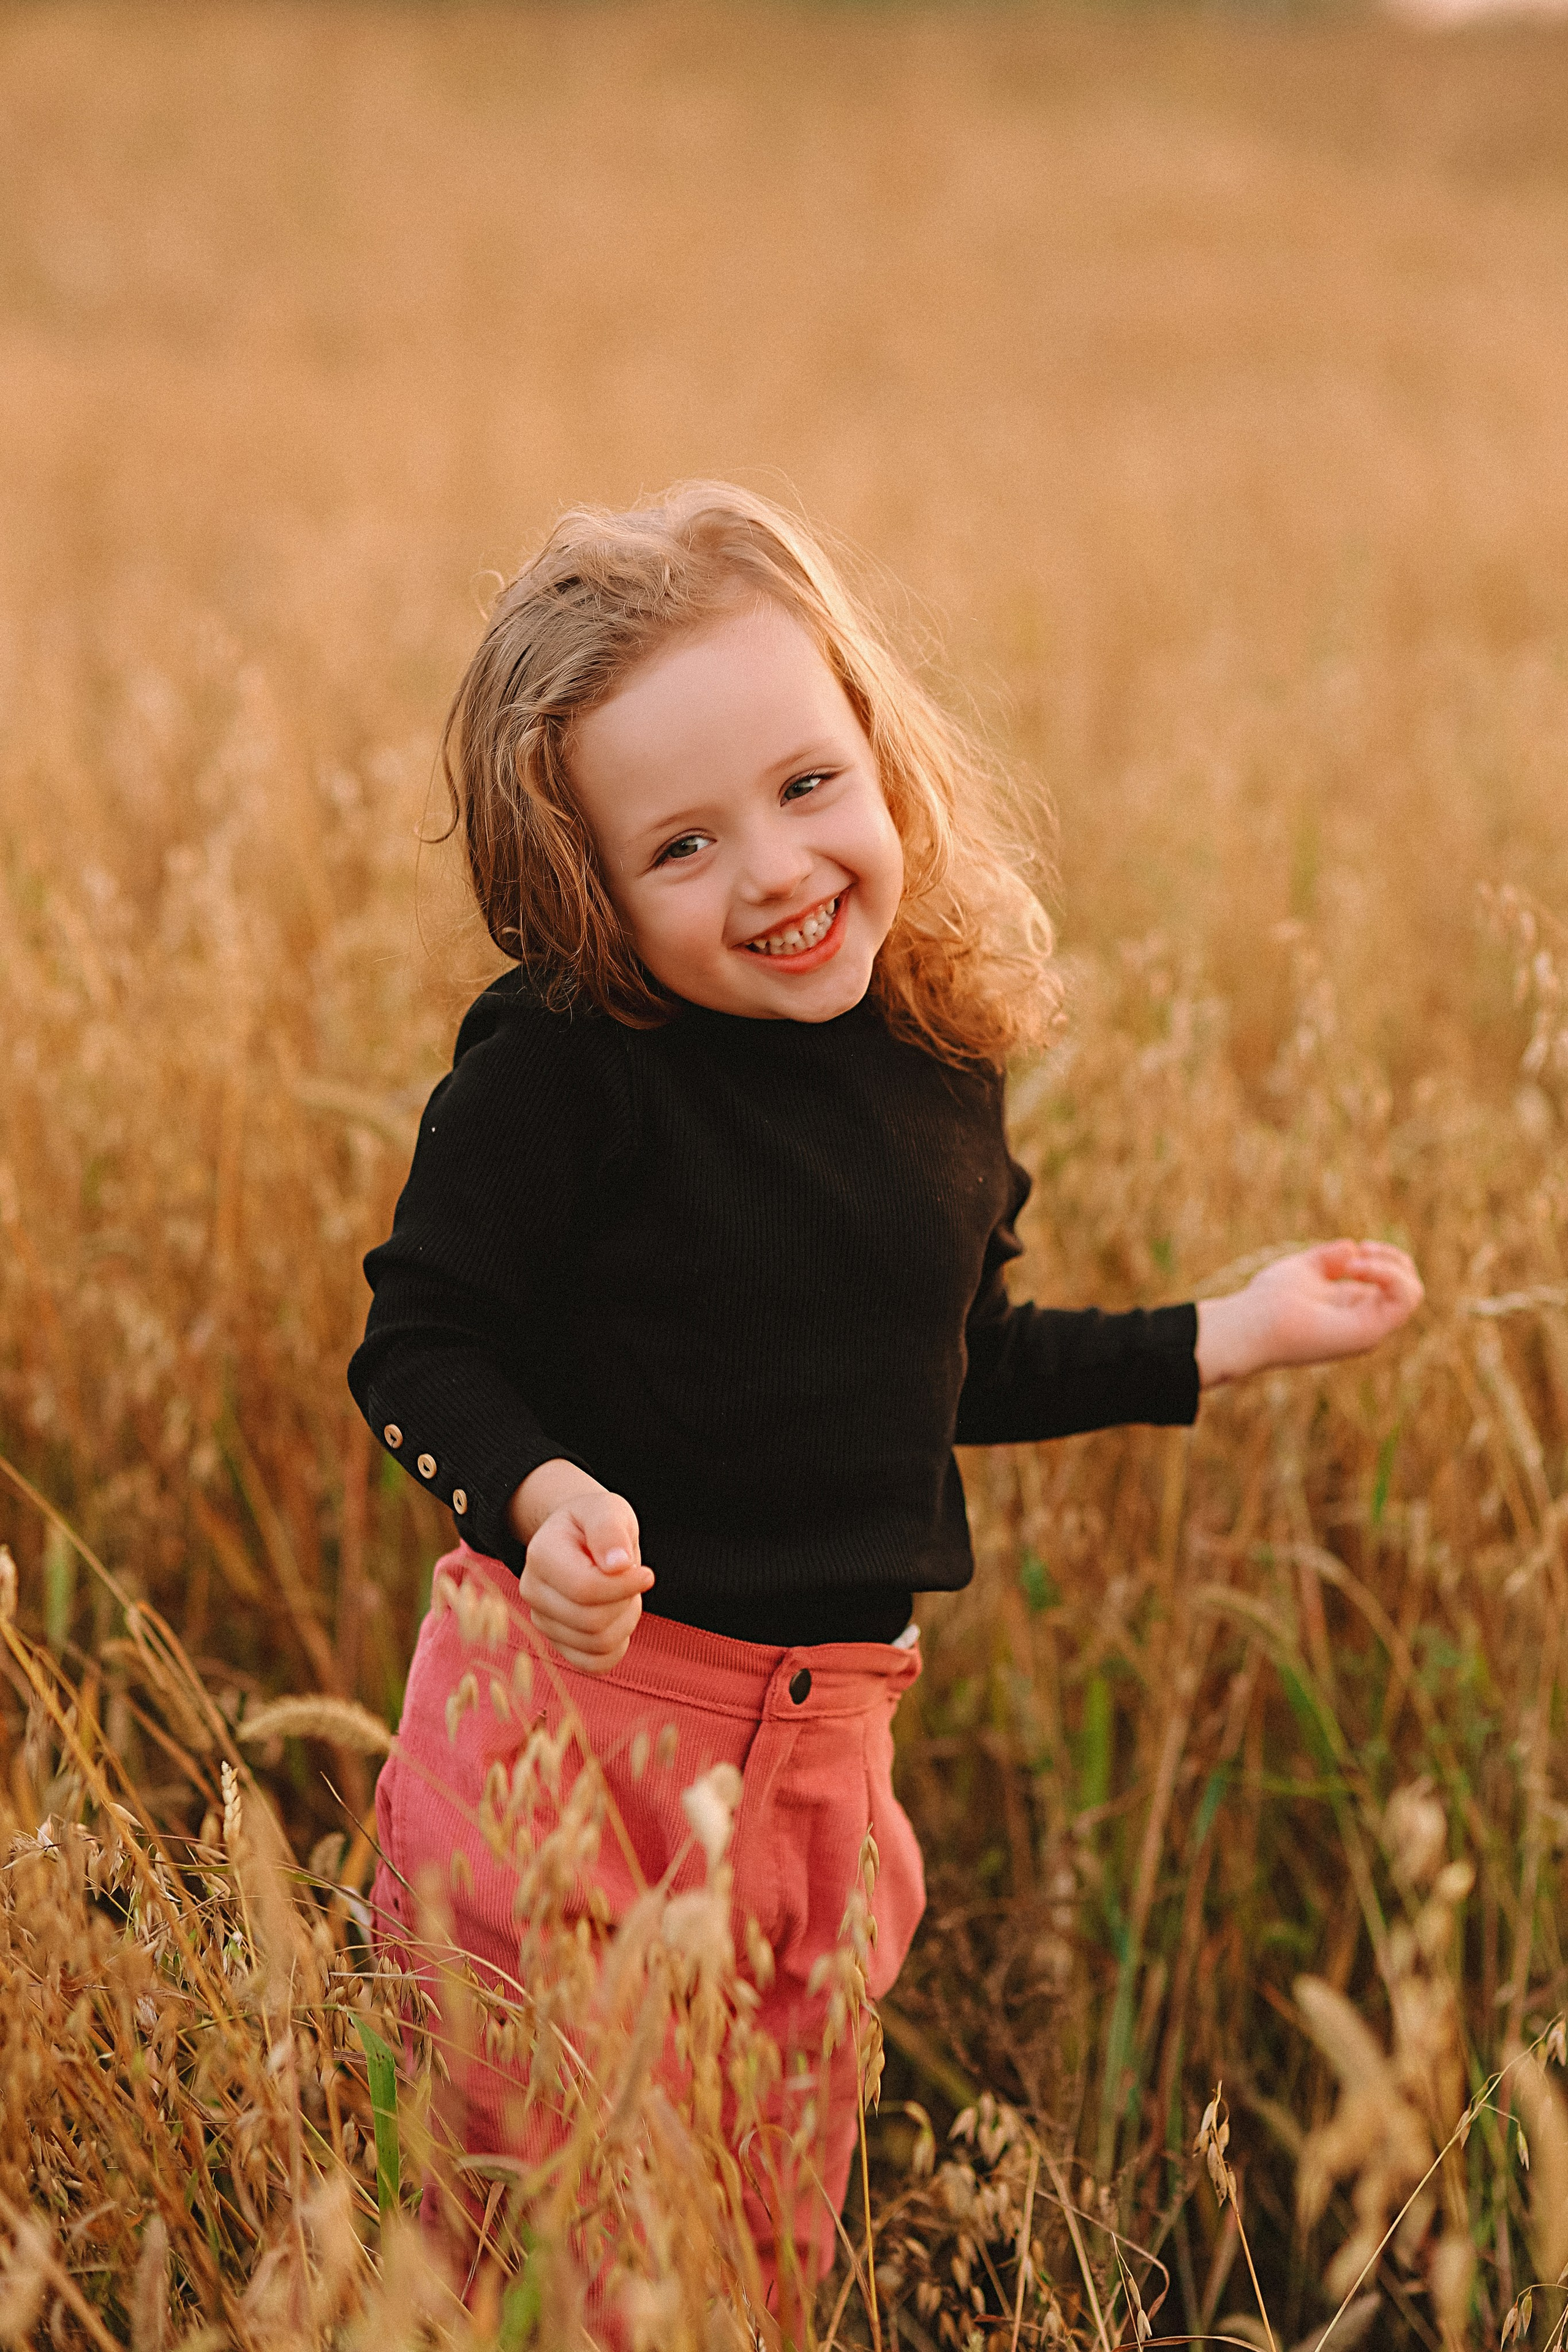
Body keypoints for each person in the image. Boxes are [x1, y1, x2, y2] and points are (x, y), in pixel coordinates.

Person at [352, 482, 1421, 2309]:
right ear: (585, 888)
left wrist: (1222, 1333)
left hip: (829, 1769)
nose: (772, 870)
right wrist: (538, 1505)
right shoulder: (566, 1072)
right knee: (564, 2276)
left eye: (805, 788)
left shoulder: (937, 1067)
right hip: (575, 1740)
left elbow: (953, 1371)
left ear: (879, 749)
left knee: (759, 2266)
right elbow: (420, 1340)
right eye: (678, 849)